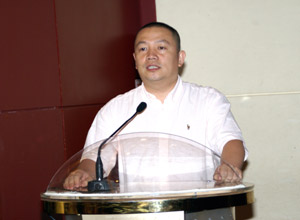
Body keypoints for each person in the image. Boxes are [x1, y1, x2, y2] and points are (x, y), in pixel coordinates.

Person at [63, 22, 247, 190]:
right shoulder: (116, 109)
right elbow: (95, 155)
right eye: (143, 49)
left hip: (198, 208)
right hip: (139, 211)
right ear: (135, 60)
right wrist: (84, 173)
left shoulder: (208, 100)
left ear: (180, 58)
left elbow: (231, 141)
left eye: (161, 47)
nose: (151, 56)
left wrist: (229, 166)